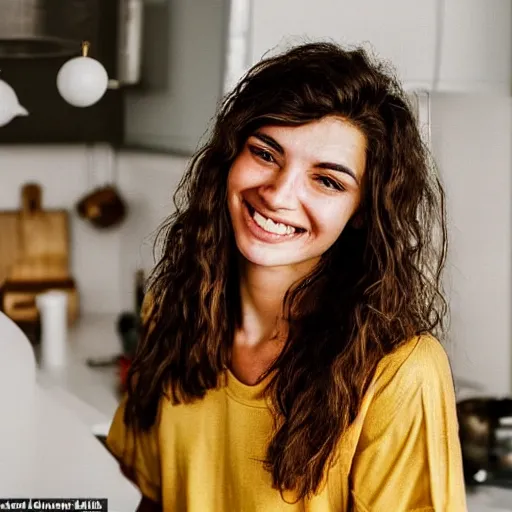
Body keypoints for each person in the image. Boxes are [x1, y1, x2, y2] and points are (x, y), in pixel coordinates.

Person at [106, 42, 467, 511]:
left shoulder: (399, 371)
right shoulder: (171, 311)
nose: (278, 195)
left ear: (361, 212)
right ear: (229, 157)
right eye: (265, 153)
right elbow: (152, 499)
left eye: (328, 180)